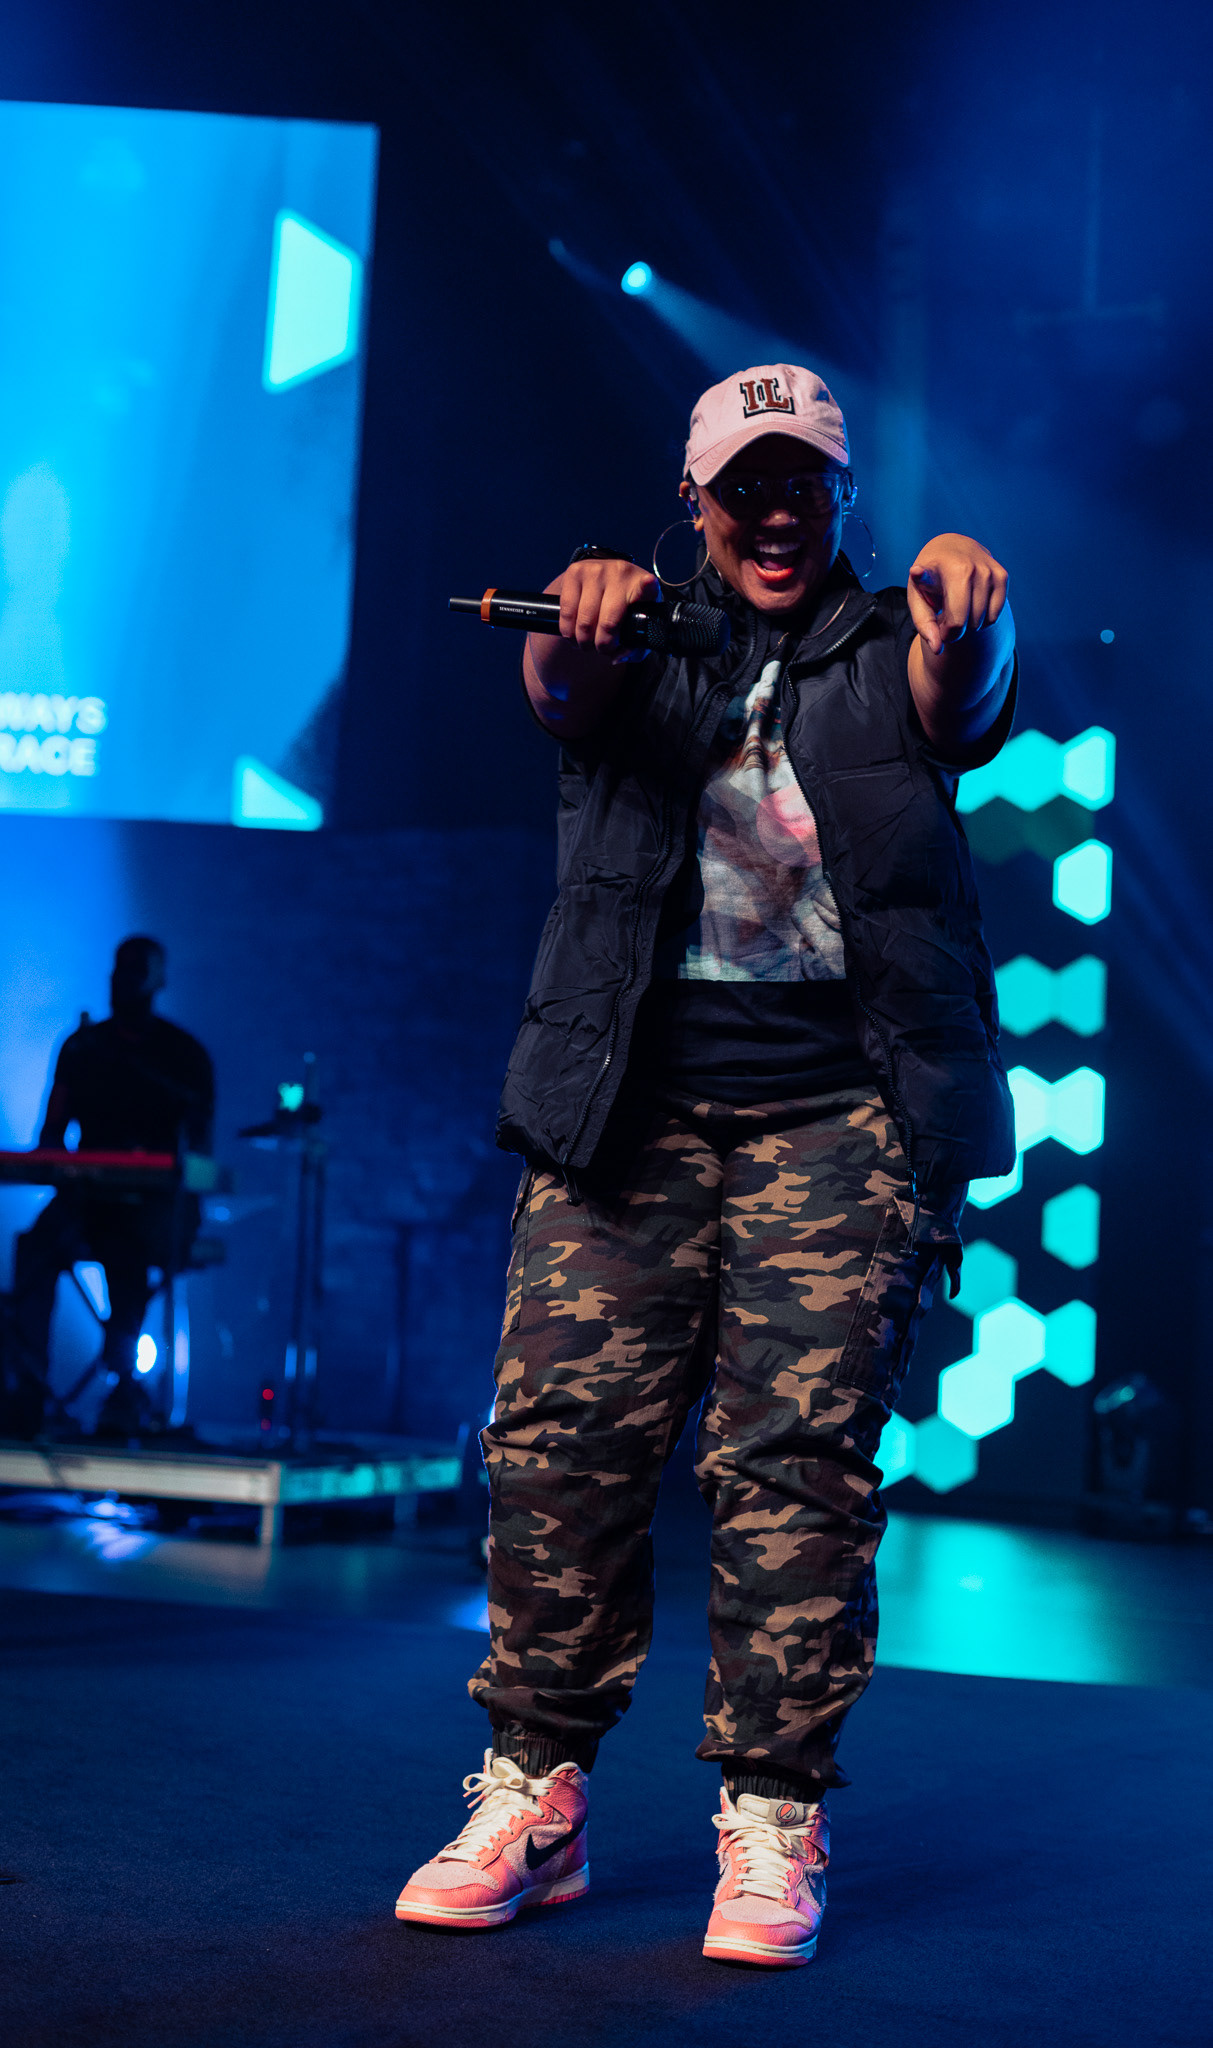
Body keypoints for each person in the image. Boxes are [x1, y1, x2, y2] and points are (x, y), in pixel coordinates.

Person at [396, 364, 1016, 1965]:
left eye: (802, 482)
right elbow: (559, 694)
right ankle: (534, 1796)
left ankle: (774, 1815)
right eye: (745, 486)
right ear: (696, 502)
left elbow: (963, 701)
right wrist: (573, 619)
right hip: (628, 1109)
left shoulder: (889, 644)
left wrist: (969, 610)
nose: (775, 512)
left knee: (795, 1464)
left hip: (839, 1116)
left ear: (841, 495)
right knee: (560, 1441)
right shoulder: (631, 635)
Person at [13, 935, 215, 1437]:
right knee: (36, 1248)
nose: (122, 984)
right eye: (119, 972)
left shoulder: (183, 1056)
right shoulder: (83, 1048)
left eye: (135, 974)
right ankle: (27, 1386)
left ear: (156, 982)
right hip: (86, 1200)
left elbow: (199, 1157)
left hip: (154, 1205)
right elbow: (50, 1136)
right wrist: (64, 1169)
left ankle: (123, 1388)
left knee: (128, 1253)